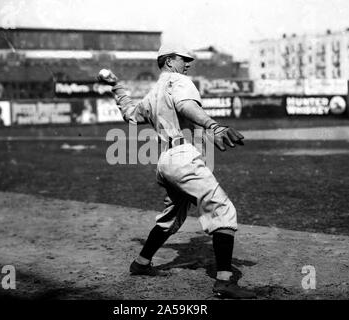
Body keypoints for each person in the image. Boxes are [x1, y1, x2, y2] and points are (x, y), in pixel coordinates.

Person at [97, 43, 256, 299]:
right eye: (184, 59)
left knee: (171, 217)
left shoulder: (153, 92)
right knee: (222, 209)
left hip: (165, 160)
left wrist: (116, 86)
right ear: (169, 61)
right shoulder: (178, 80)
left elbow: (130, 115)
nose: (188, 64)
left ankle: (141, 262)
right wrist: (213, 126)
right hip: (182, 157)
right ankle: (225, 282)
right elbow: (186, 107)